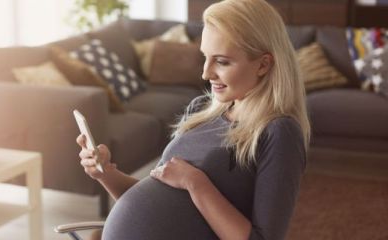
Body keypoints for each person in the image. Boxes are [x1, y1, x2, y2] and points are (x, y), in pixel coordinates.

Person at [76, 0, 310, 239]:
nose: (206, 73)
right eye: (205, 57)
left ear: (263, 64)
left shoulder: (279, 132)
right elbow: (157, 195)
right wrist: (105, 173)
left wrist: (196, 184)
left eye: (222, 61)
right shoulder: (199, 111)